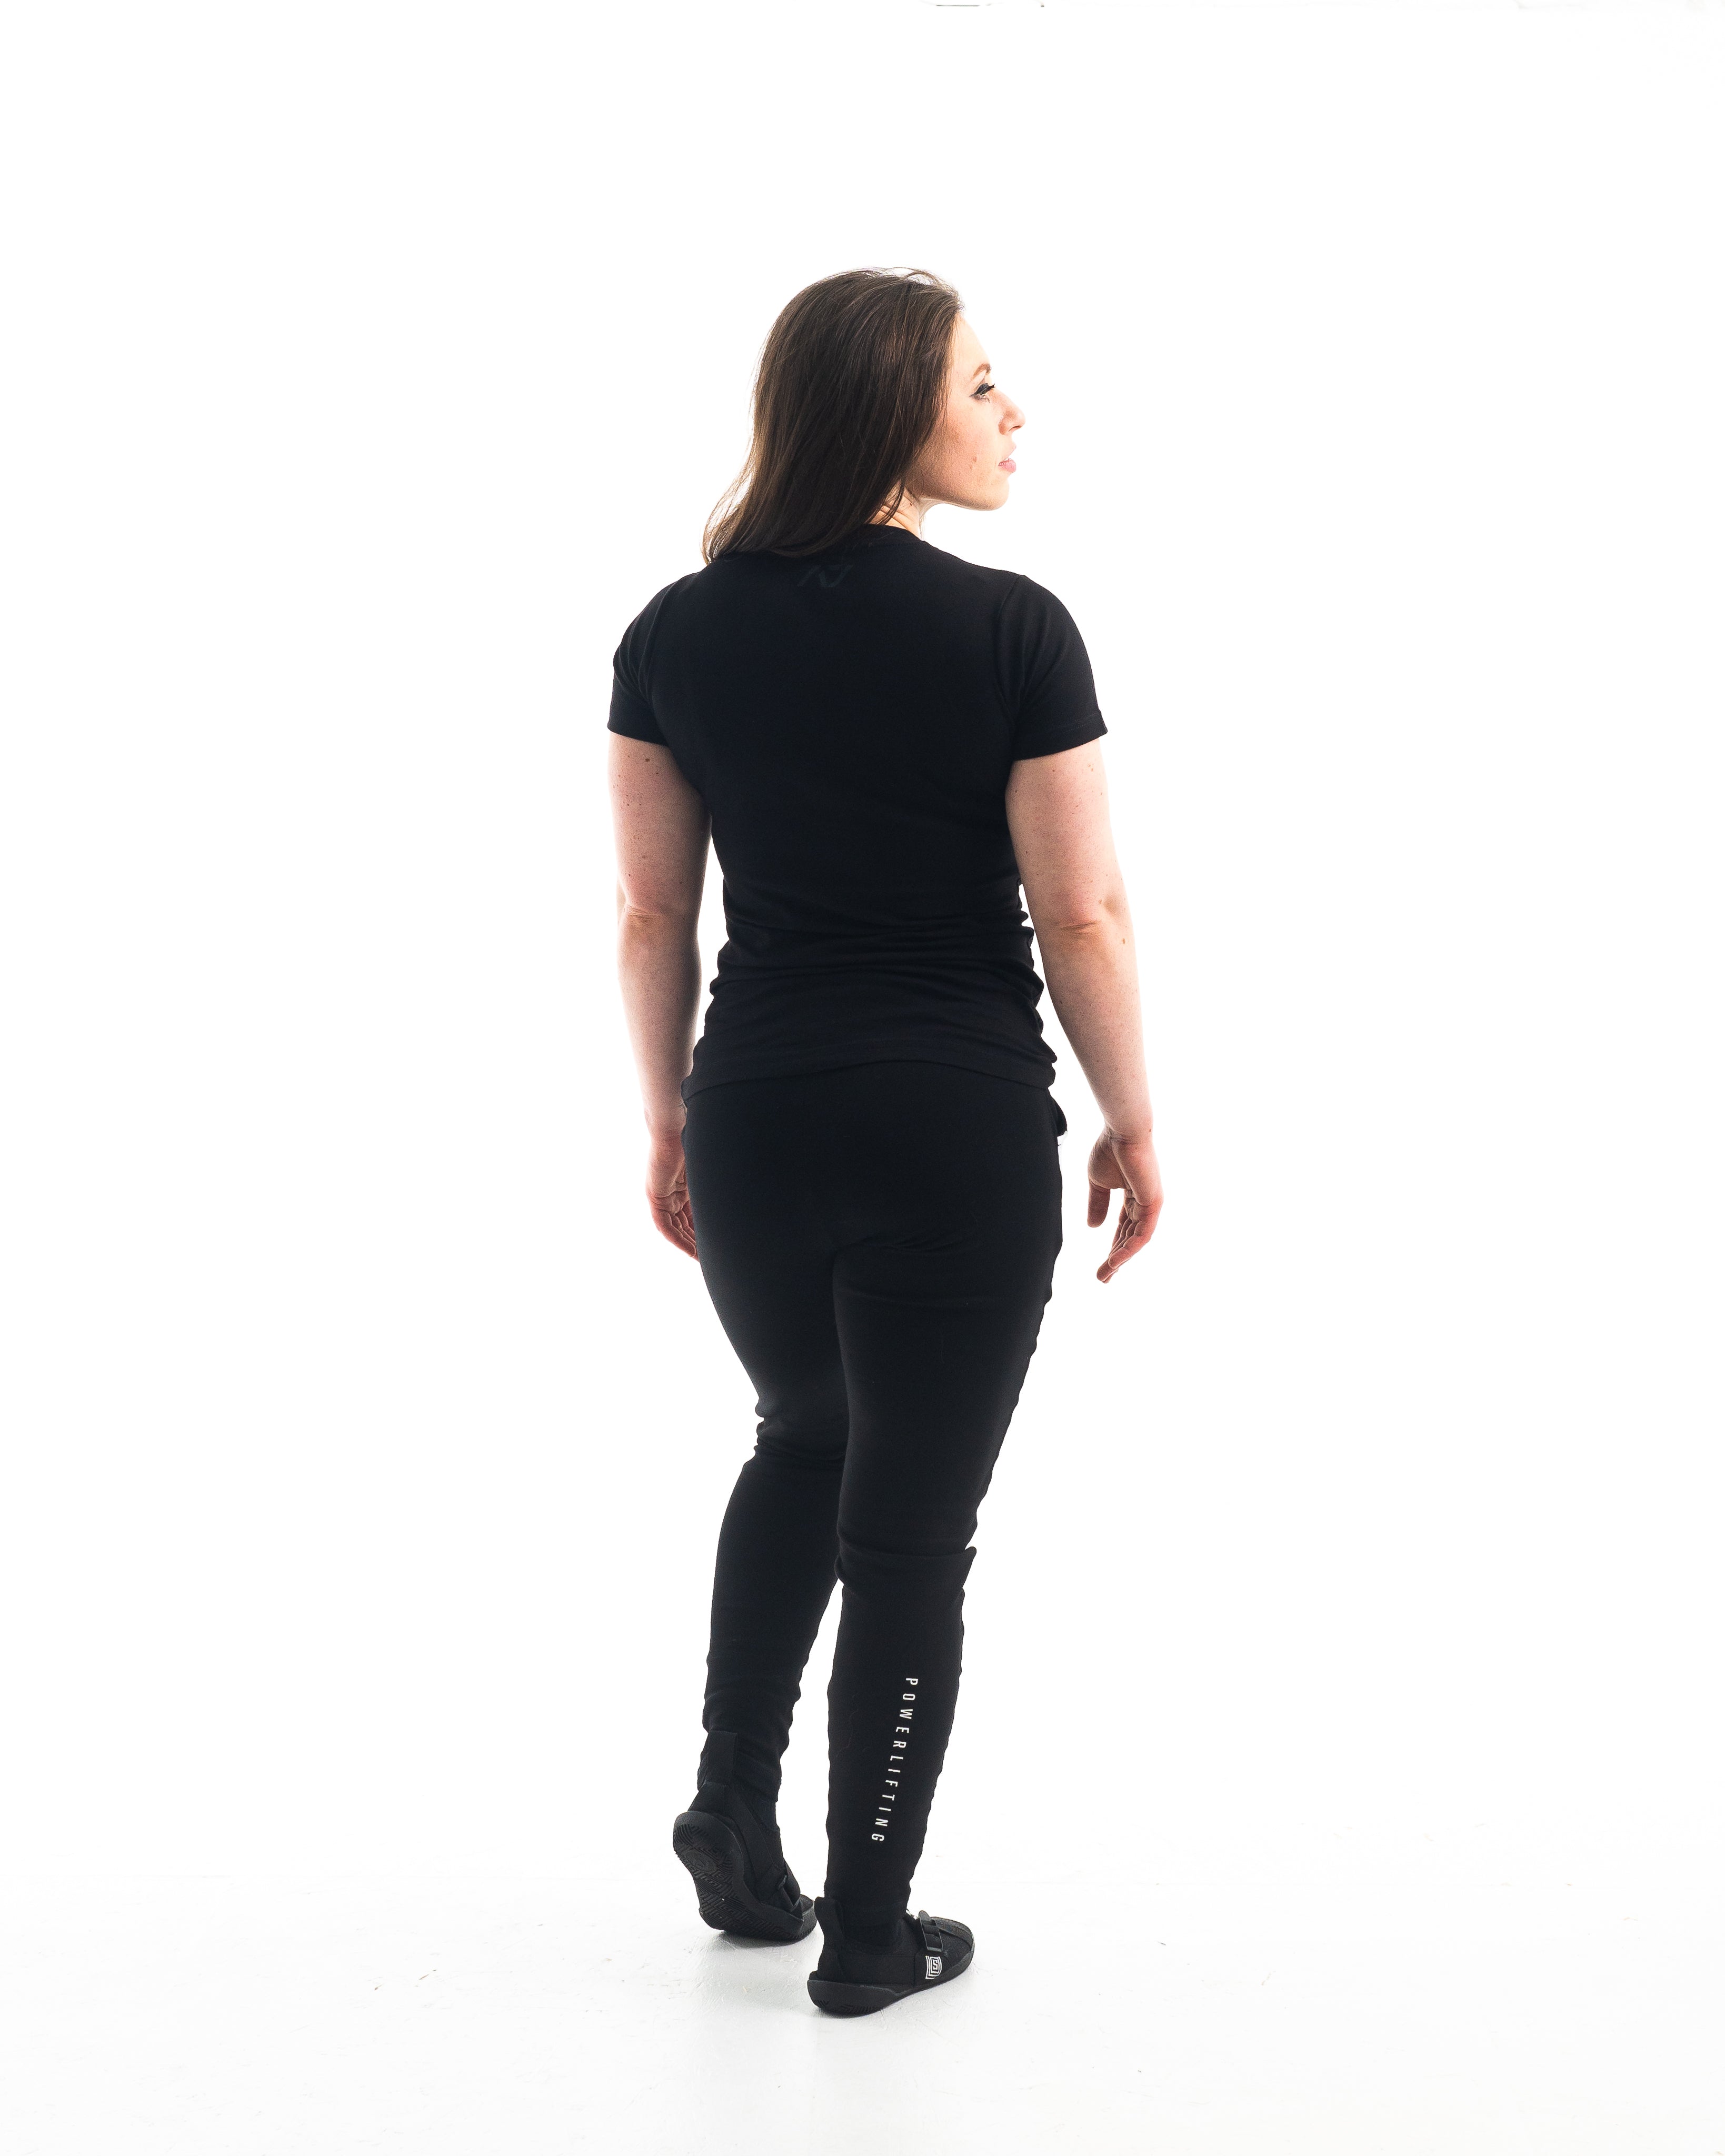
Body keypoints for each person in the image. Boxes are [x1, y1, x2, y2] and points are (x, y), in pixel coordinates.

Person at [607, 267, 1162, 2017]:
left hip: (757, 1114)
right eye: (982, 386)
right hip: (952, 1122)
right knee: (910, 1530)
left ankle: (731, 1808)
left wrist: (669, 1116)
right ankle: (867, 1928)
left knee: (804, 1436)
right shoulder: (1013, 631)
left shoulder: (674, 635)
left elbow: (652, 915)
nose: (1014, 414)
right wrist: (1134, 1110)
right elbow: (1082, 912)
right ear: (890, 413)